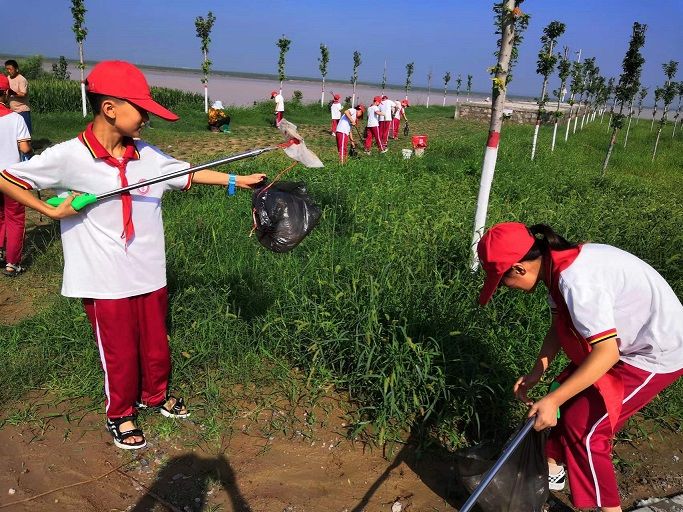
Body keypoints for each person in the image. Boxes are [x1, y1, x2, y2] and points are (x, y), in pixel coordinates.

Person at [0, 61, 266, 450]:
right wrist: (52, 210)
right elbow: (7, 178)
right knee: (119, 349)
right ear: (110, 108)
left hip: (148, 270)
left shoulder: (147, 155)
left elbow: (187, 173)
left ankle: (154, 396)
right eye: (140, 110)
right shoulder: (69, 156)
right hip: (103, 277)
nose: (146, 119)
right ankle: (120, 412)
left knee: (156, 342)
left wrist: (236, 180)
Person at [477, 222, 683, 512]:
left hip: (655, 352)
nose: (502, 289)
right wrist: (538, 373)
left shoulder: (576, 281)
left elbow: (606, 353)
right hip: (623, 343)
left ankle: (608, 509)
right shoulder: (555, 267)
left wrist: (553, 400)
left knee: (585, 430)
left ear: (520, 268)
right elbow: (558, 327)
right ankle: (552, 469)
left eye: (501, 281)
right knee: (563, 402)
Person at [0, 74, 31, 276]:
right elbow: (26, 148)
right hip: (10, 177)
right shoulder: (16, 118)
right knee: (15, 218)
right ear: (4, 93)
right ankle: (12, 263)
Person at [4, 60, 32, 134]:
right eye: (7, 69)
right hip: (12, 110)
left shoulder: (22, 79)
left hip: (22, 110)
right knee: (14, 132)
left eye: (10, 69)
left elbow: (23, 94)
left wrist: (13, 93)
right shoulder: (8, 78)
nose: (8, 71)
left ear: (16, 69)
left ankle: (28, 145)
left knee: (25, 131)